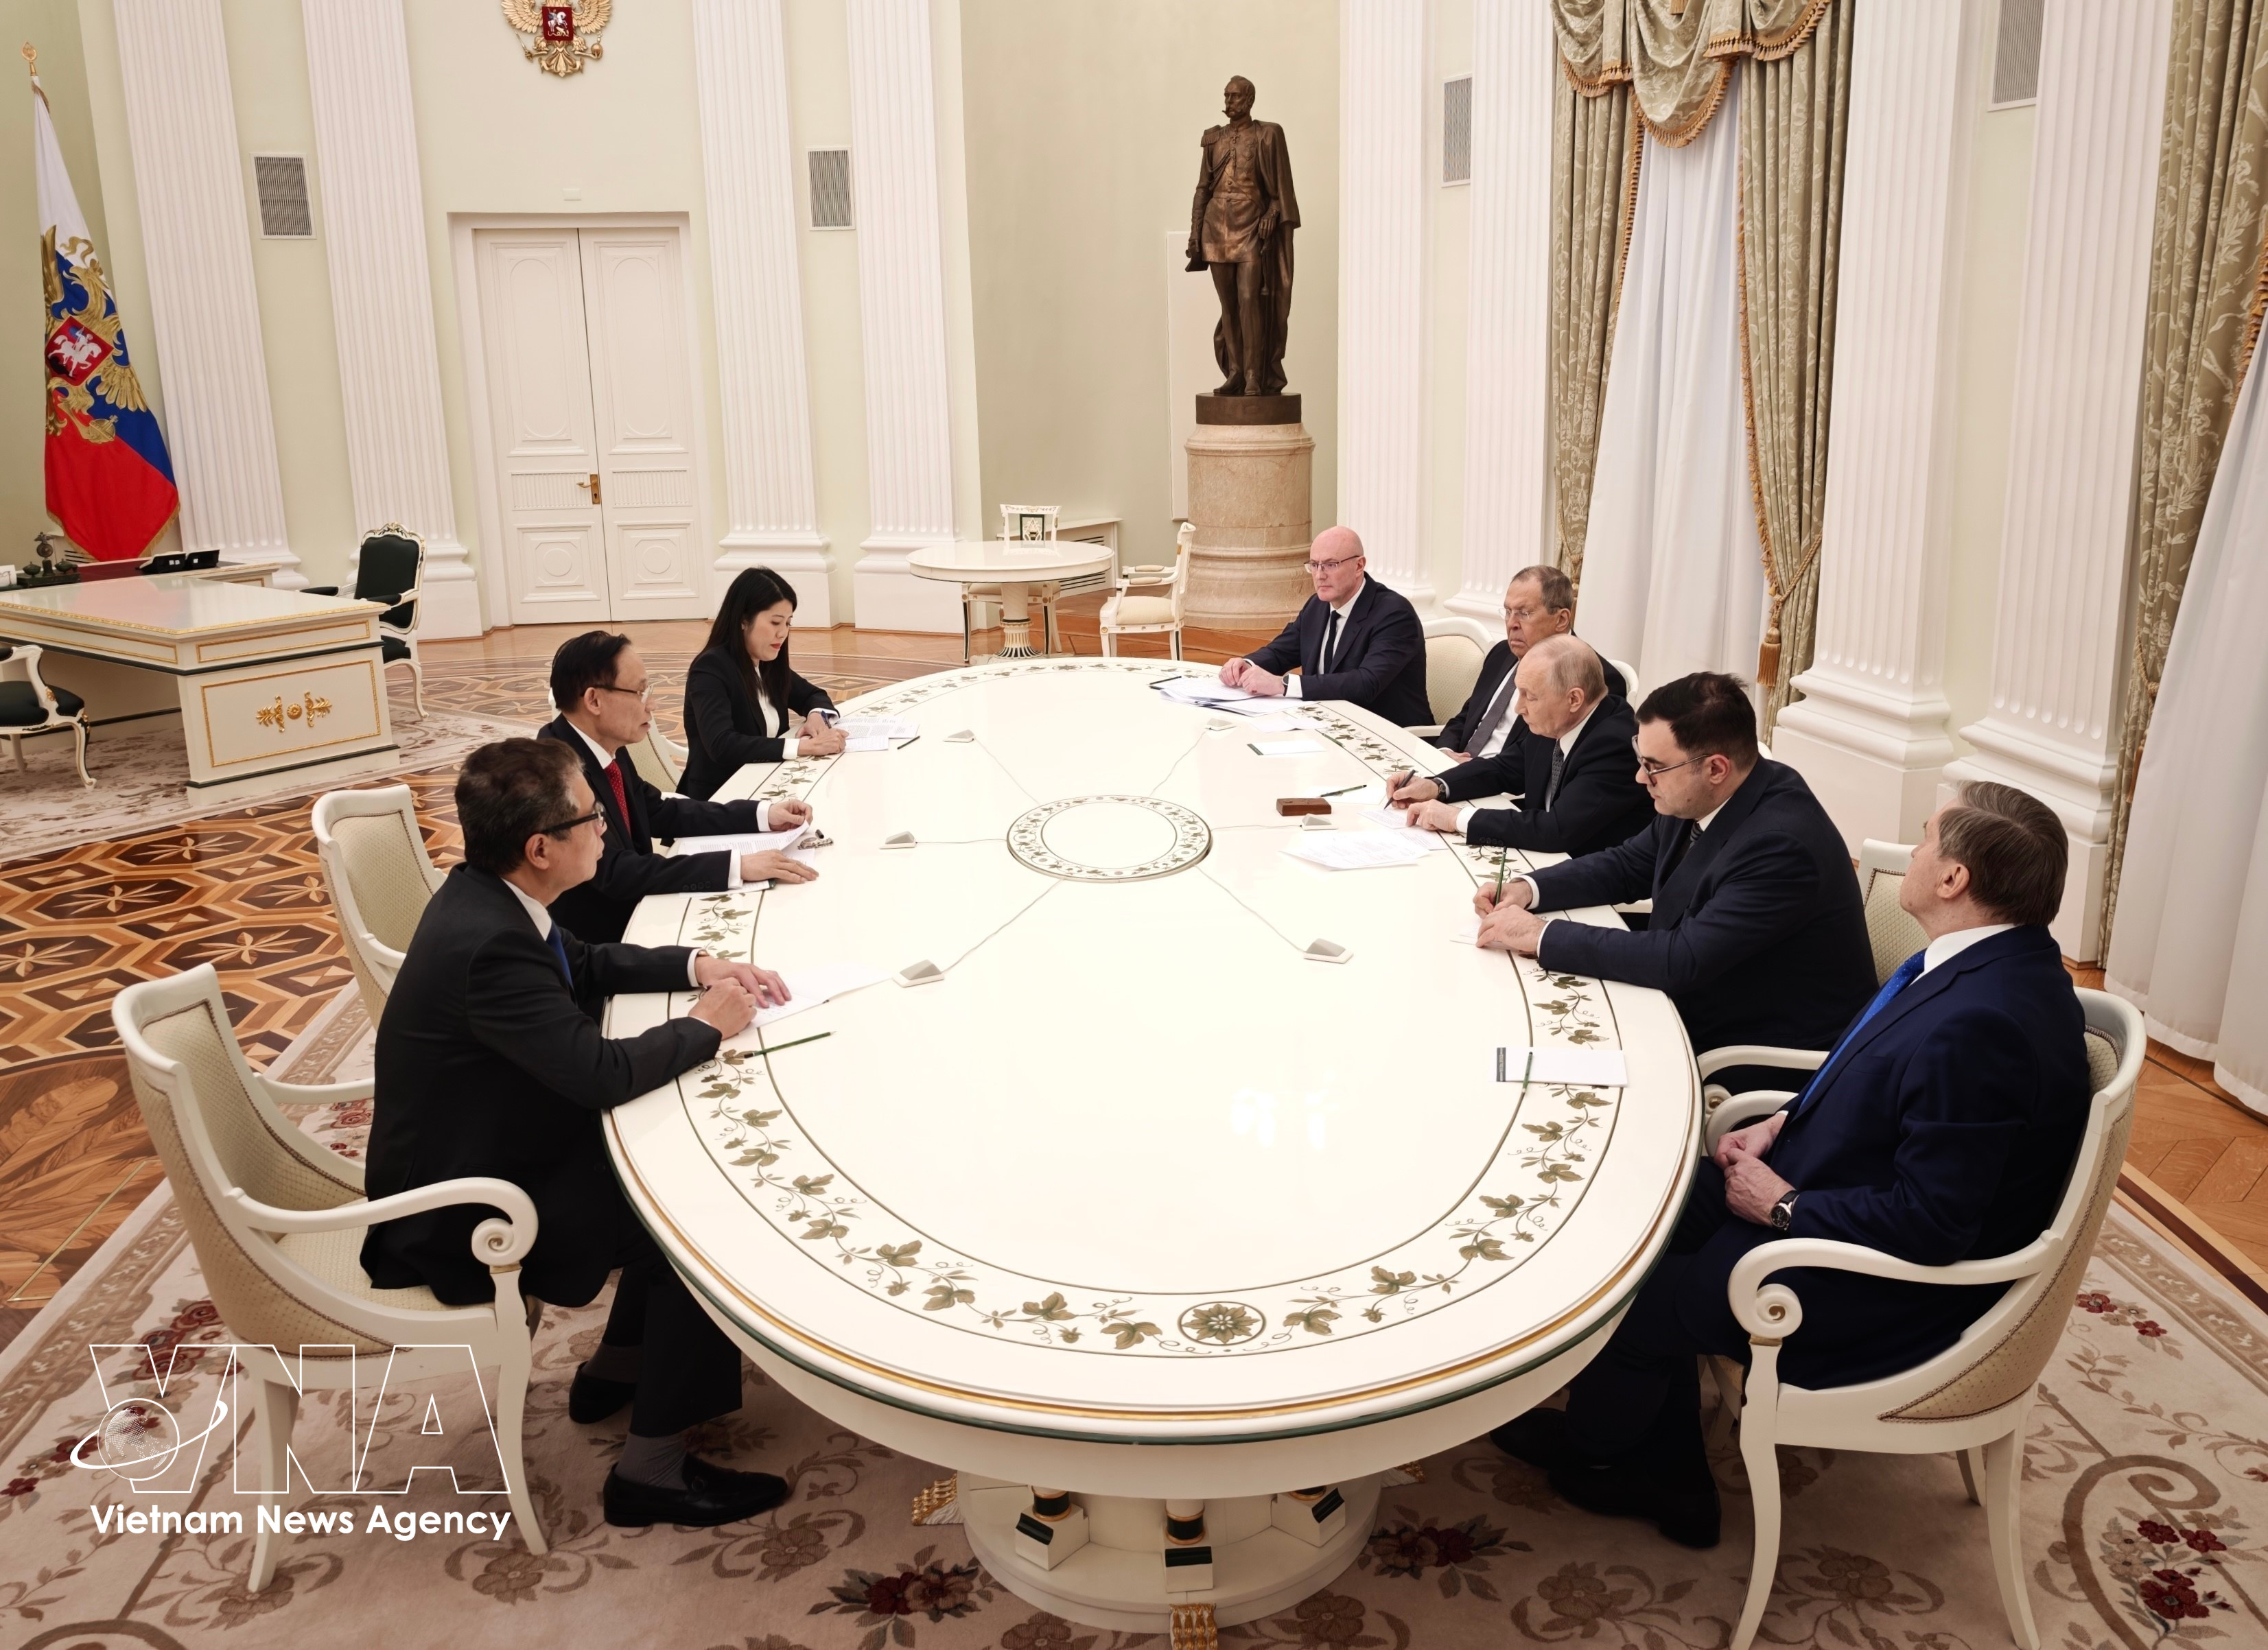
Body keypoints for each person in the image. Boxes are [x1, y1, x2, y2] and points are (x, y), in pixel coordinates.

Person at [1492, 781, 2092, 1549]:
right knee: (1636, 1212)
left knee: (1628, 1303)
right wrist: (1783, 1120)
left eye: (1923, 838)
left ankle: (1627, 1467)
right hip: (1827, 1172)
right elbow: (1877, 1067)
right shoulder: (1984, 962)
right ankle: (1649, 1436)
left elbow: (1935, 1222)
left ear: (1953, 881)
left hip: (1872, 1277)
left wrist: (1784, 1205)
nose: (1910, 851)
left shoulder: (1983, 1023)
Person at [360, 738, 797, 1529]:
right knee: (699, 1210)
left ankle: (617, 1368)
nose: (606, 828)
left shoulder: (488, 896)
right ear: (540, 848)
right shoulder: (488, 941)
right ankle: (650, 1471)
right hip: (460, 1208)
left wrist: (698, 965)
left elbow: (584, 963)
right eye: (591, 817)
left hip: (493, 1143)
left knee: (666, 1165)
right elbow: (597, 1071)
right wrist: (705, 1027)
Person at [1474, 672, 1874, 1079]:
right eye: (1640, 759)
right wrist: (1529, 889)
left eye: (1653, 767)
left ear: (1716, 768)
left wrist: (1539, 935)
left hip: (1753, 1048)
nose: (1640, 778)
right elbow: (1629, 864)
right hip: (1699, 990)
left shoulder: (1781, 846)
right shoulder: (1703, 793)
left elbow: (1682, 960)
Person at [540, 630, 816, 945]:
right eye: (640, 692)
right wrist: (736, 864)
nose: (652, 705)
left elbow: (658, 809)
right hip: (606, 944)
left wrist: (762, 814)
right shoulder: (555, 773)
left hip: (642, 911)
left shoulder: (599, 744)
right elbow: (613, 872)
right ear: (594, 700)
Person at [1386, 636, 1652, 857]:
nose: (1518, 707)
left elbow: (1556, 831)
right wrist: (1436, 786)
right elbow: (1506, 769)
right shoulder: (1557, 719)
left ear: (1574, 698)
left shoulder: (1615, 744)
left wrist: (1456, 818)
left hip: (1589, 875)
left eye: (1530, 696)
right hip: (1539, 855)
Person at [1217, 526, 1431, 726]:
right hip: (1326, 726)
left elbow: (1366, 683)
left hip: (1390, 736)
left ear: (1359, 566)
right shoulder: (1317, 605)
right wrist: (1247, 664)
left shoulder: (1394, 614)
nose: (1320, 575)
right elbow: (1280, 652)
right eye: (1314, 565)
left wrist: (1283, 685)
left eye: (1330, 565)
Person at [680, 568, 845, 799]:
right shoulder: (710, 668)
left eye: (788, 623)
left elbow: (812, 694)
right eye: (775, 622)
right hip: (720, 800)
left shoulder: (767, 662)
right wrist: (805, 747)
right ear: (743, 620)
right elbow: (722, 745)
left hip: (769, 786)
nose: (783, 633)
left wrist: (816, 716)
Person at [1435, 566, 1628, 761]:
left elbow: (1543, 758)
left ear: (1561, 620)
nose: (1512, 623)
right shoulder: (1502, 653)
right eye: (1509, 611)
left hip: (1504, 786)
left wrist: (1471, 771)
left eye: (1524, 613)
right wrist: (1444, 754)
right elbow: (1467, 716)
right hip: (1452, 771)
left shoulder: (1597, 678)